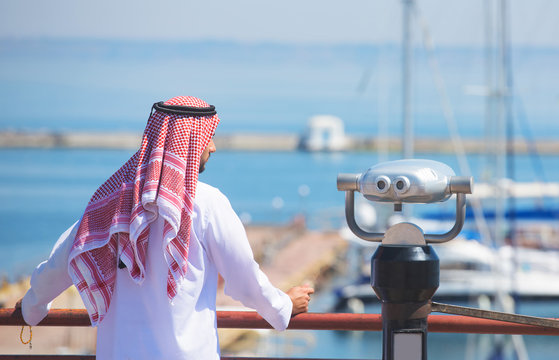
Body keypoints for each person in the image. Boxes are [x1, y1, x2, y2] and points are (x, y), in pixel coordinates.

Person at [18, 96, 314, 359]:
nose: (212, 146)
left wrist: (32, 306)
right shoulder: (207, 203)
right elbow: (244, 276)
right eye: (207, 137)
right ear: (187, 142)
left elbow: (65, 259)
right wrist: (283, 305)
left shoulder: (113, 199)